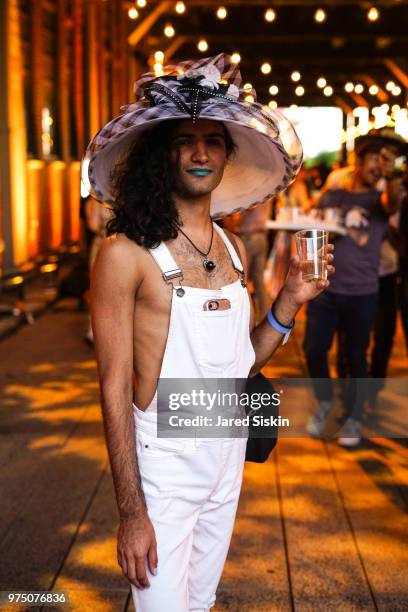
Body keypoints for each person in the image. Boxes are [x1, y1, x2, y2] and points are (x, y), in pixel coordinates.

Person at [84, 54, 333, 611]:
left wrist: (290, 300)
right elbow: (111, 388)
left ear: (227, 155)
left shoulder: (231, 246)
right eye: (184, 141)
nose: (200, 153)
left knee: (200, 603)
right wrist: (131, 512)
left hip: (226, 454)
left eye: (213, 141)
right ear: (161, 154)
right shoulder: (124, 255)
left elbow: (240, 367)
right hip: (166, 468)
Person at [304, 135, 400, 447]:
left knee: (357, 355)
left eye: (383, 162)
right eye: (374, 160)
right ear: (358, 163)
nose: (378, 167)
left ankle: (355, 418)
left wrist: (391, 174)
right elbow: (312, 227)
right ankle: (324, 401)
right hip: (326, 292)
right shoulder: (334, 196)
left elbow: (394, 201)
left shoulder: (380, 202)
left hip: (363, 293)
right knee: (314, 349)